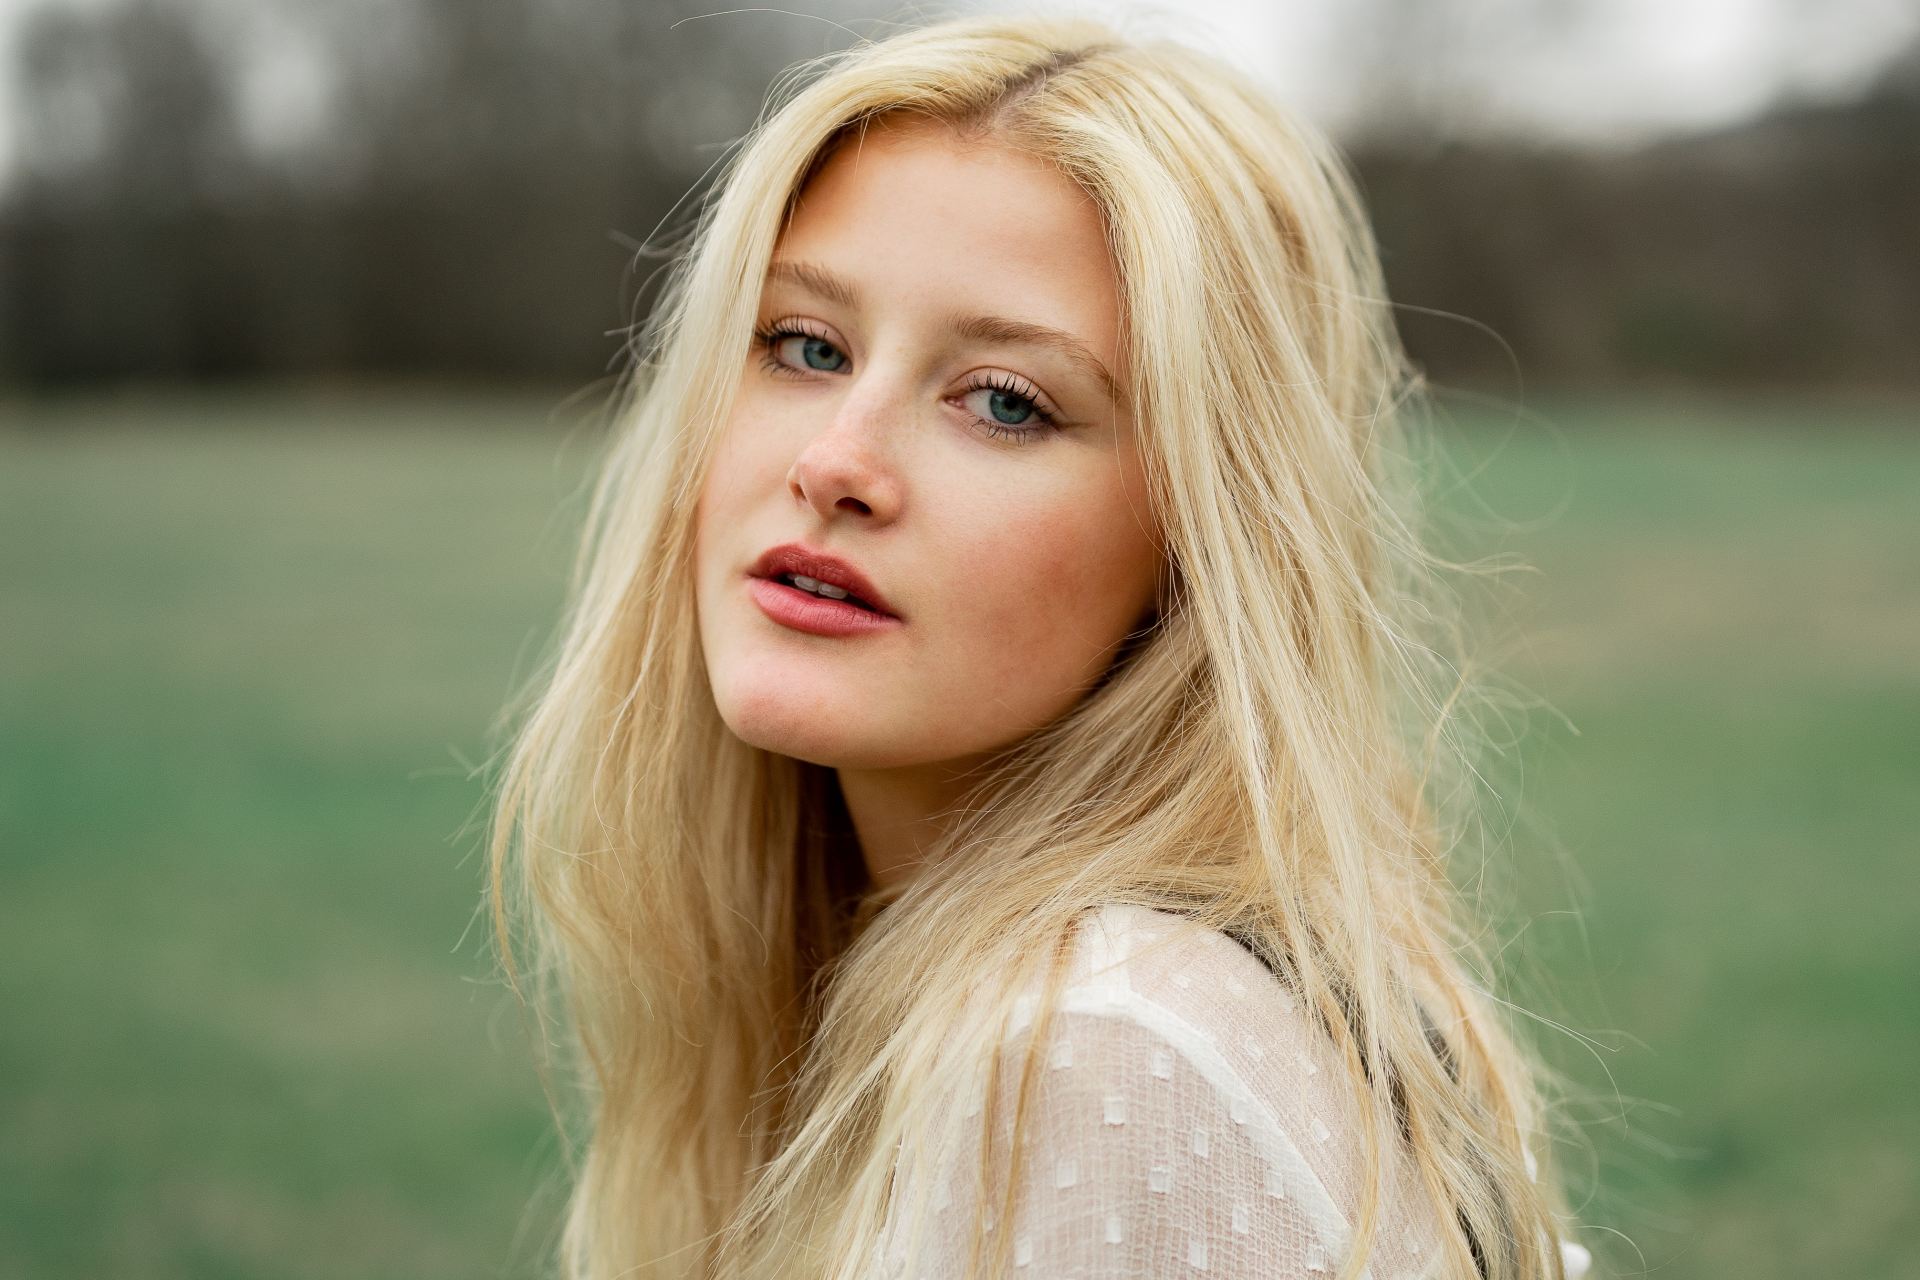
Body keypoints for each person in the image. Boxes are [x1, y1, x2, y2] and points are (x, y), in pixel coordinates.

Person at [486, 10, 1594, 1279]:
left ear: (1201, 541)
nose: (836, 461)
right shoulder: (1028, 1000)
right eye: (806, 344)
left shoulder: (1108, 1045)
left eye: (1006, 401)